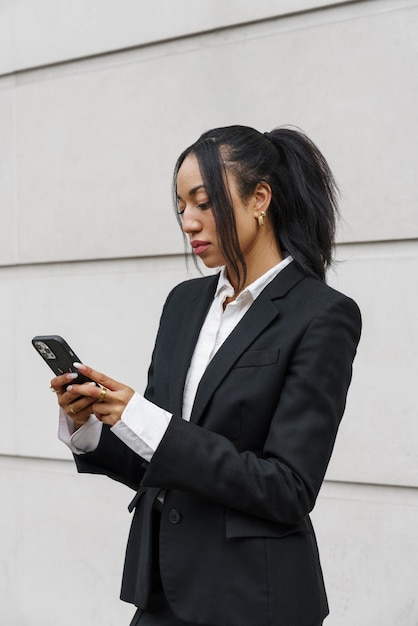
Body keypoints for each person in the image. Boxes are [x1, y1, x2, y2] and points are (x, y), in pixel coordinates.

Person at [51, 125, 361, 626]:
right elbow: (161, 460)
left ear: (260, 198)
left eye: (204, 202)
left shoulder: (321, 315)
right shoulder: (184, 303)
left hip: (253, 599)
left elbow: (288, 487)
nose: (189, 222)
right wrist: (91, 426)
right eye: (181, 207)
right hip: (162, 594)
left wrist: (144, 418)